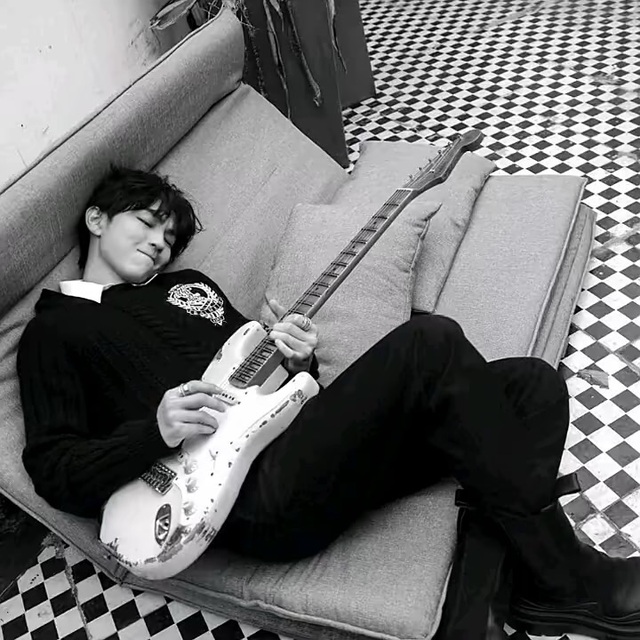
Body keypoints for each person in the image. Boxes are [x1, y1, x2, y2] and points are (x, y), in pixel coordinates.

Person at [17, 166, 640, 639]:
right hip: (250, 496)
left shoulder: (189, 287)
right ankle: (567, 578)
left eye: (170, 236)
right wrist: (154, 431)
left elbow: (249, 375)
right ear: (96, 219)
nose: (160, 242)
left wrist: (297, 360)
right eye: (147, 222)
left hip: (310, 448)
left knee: (531, 385)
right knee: (430, 342)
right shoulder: (57, 330)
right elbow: (53, 468)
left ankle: (487, 599)